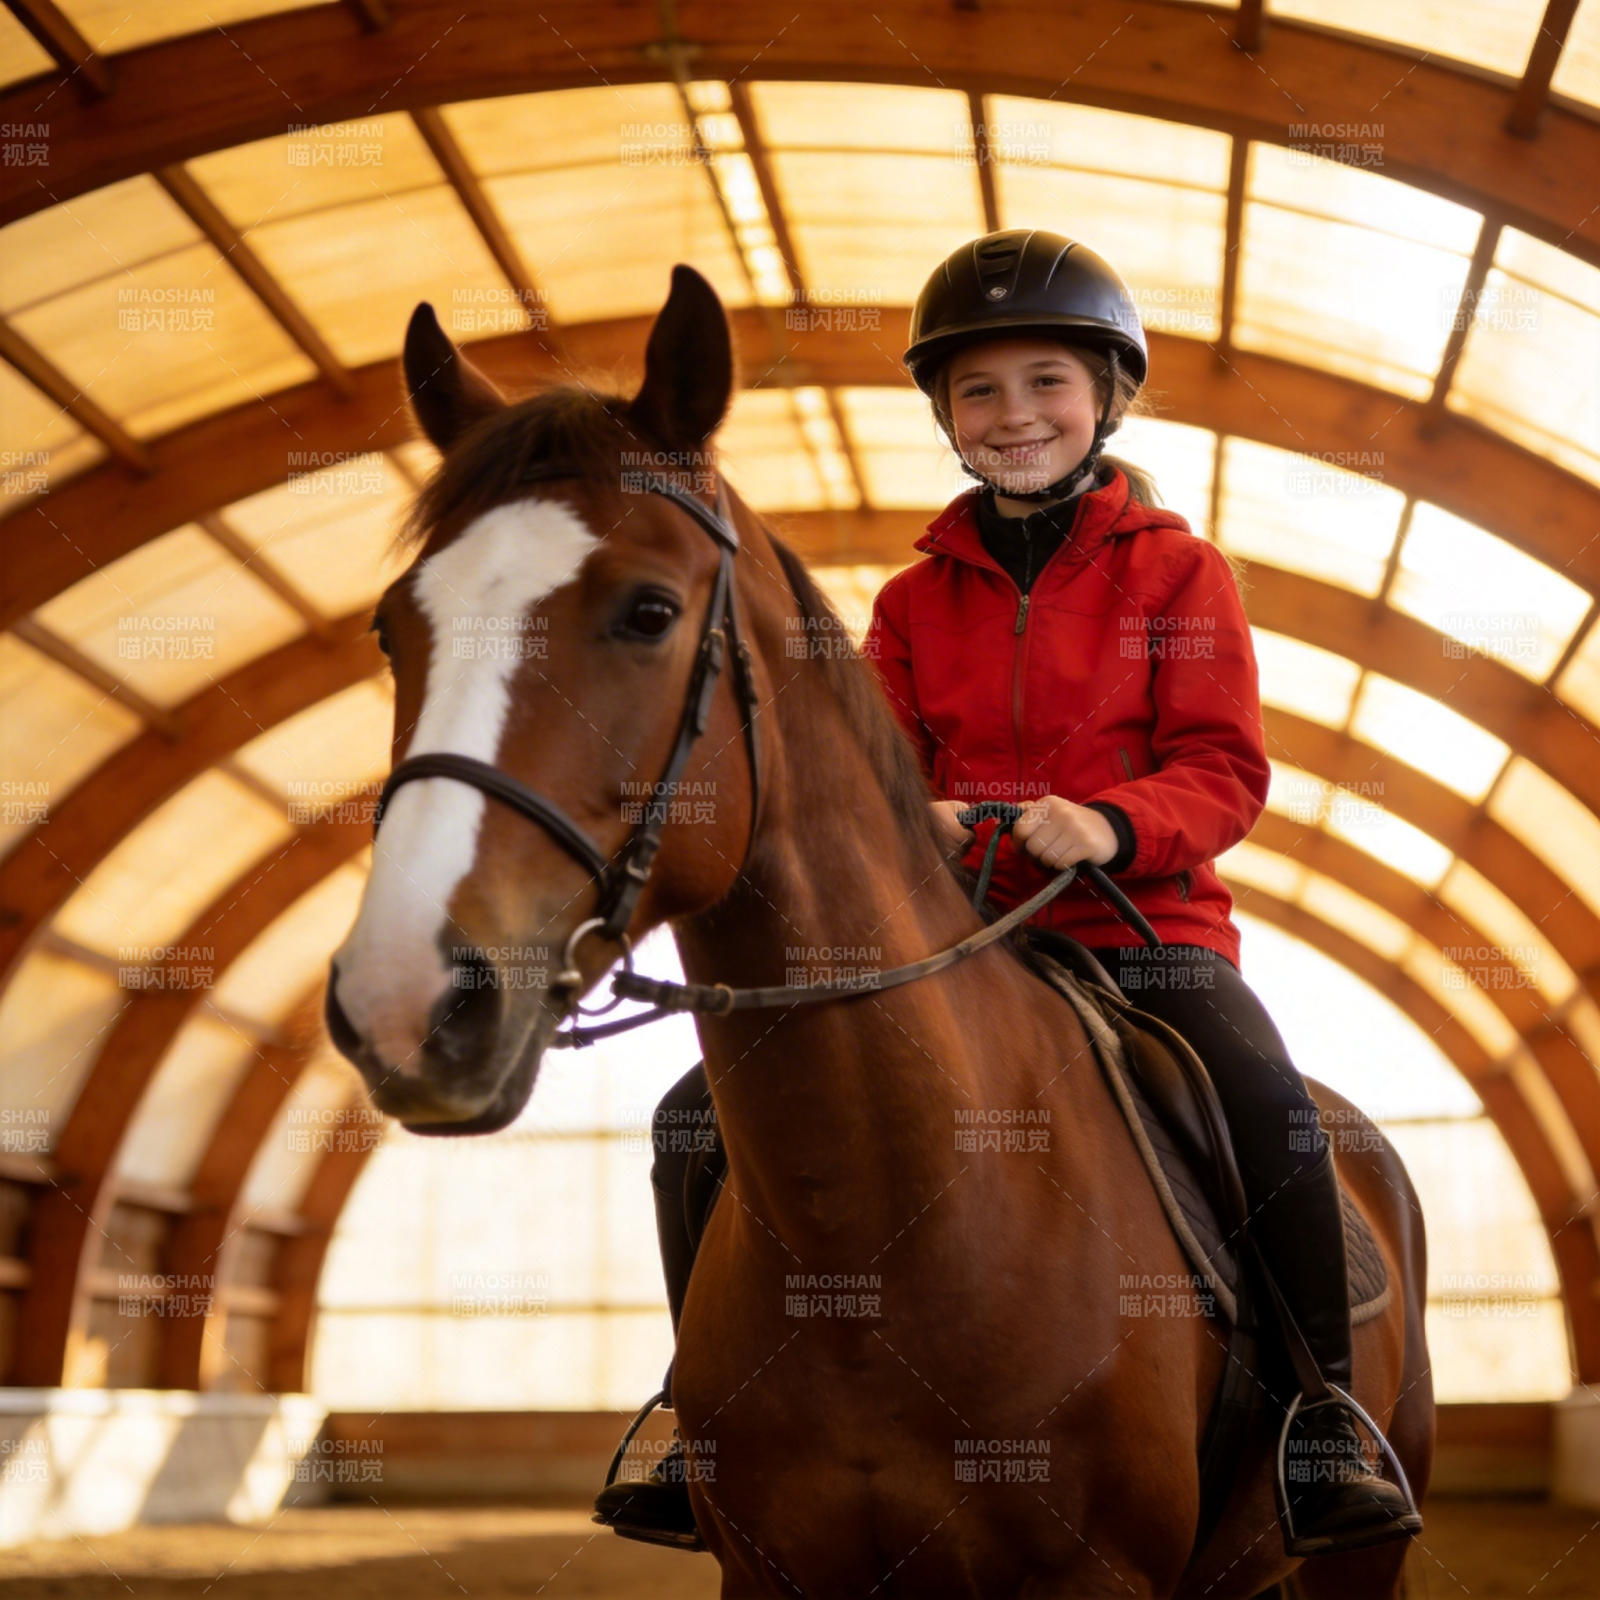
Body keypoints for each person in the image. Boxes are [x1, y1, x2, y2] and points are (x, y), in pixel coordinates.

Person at [594, 229, 1422, 1561]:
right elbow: (878, 785)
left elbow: (1226, 770)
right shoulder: (914, 601)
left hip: (1139, 934)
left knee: (1263, 1092)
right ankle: (702, 1419)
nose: (1013, 413)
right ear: (946, 416)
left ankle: (1322, 1419)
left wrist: (1107, 821)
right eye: (978, 391)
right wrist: (920, 828)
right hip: (961, 946)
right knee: (697, 1112)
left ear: (1106, 397)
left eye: (1046, 381)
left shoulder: (1177, 573)